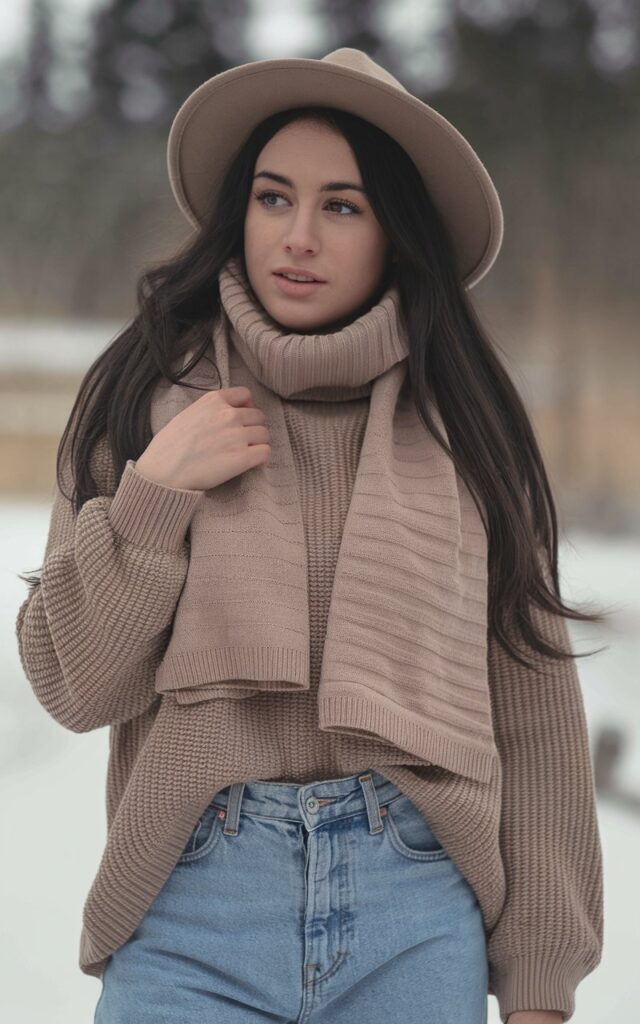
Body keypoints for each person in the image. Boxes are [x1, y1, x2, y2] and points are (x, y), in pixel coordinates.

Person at [16, 48, 605, 1024]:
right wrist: (156, 493)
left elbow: (532, 706)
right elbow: (76, 686)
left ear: (394, 232)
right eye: (271, 197)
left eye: (341, 205)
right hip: (191, 906)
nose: (296, 236)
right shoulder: (140, 398)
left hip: (415, 913)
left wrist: (541, 982)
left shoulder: (471, 428)